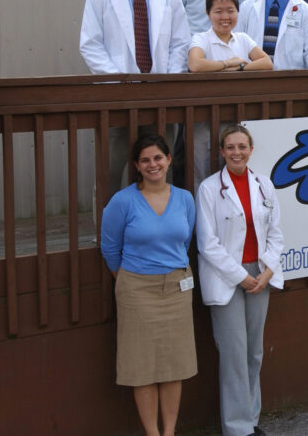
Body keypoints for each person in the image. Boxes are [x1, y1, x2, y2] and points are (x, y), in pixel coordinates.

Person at [80, 0, 190, 194]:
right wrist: (121, 81)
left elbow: (180, 43)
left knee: (159, 172)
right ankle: (106, 236)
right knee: (111, 171)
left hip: (159, 96)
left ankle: (157, 233)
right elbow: (90, 44)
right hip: (117, 97)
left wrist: (168, 80)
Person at [100, 133, 197, 436]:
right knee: (141, 367)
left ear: (169, 160)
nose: (152, 164)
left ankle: (168, 432)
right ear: (137, 166)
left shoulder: (184, 198)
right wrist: (132, 281)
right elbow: (109, 248)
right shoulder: (123, 201)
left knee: (173, 365)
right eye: (145, 160)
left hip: (177, 288)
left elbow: (186, 239)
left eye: (158, 158)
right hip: (136, 289)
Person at [195, 124, 284, 436]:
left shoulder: (264, 185)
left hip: (260, 275)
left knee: (253, 352)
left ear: (251, 149)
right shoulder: (208, 189)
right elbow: (207, 244)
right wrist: (243, 278)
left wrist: (267, 271)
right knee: (233, 353)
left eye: (242, 147)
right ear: (221, 152)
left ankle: (252, 420)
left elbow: (276, 235)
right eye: (230, 147)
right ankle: (237, 429)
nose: (236, 152)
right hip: (228, 277)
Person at [188, 0, 272, 190]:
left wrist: (241, 67)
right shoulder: (201, 38)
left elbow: (266, 62)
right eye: (218, 11)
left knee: (238, 174)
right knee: (202, 174)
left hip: (237, 119)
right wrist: (227, 63)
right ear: (208, 14)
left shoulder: (242, 38)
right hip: (204, 119)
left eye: (231, 10)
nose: (225, 17)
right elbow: (196, 65)